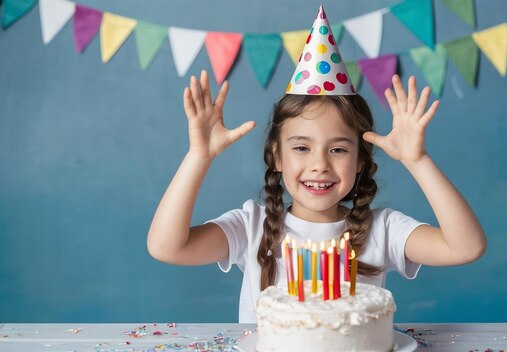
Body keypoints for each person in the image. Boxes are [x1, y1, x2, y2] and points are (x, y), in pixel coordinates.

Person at [147, 6, 486, 324]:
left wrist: (419, 161)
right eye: (302, 147)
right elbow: (167, 247)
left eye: (338, 150)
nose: (319, 164)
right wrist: (198, 157)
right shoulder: (251, 226)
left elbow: (466, 247)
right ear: (277, 157)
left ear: (360, 161)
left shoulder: (381, 230)